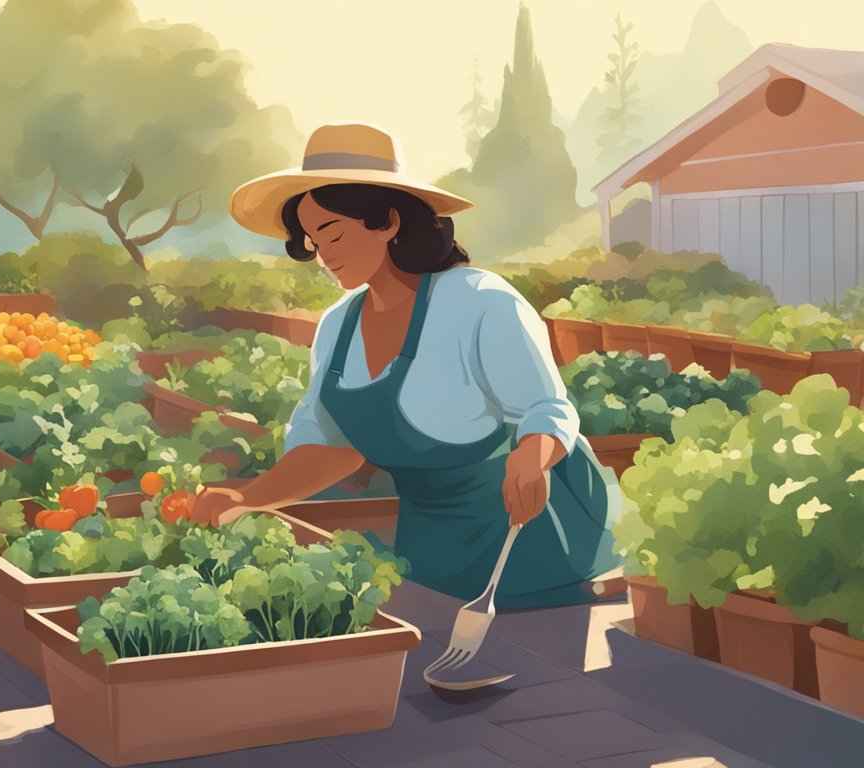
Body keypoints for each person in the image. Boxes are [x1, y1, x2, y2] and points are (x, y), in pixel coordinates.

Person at [191, 122, 623, 609]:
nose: (323, 256)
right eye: (312, 241)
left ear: (388, 222)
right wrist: (247, 497)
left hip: (536, 538)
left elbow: (547, 408)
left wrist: (532, 457)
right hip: (433, 551)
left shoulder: (478, 303)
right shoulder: (338, 328)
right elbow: (332, 448)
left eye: (332, 233)